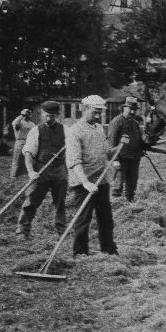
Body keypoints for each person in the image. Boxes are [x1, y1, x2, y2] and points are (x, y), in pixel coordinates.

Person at [66, 95, 126, 257]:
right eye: (95, 112)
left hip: (102, 180)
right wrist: (85, 182)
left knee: (106, 218)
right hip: (83, 183)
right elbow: (74, 161)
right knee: (83, 219)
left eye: (101, 112)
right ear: (84, 109)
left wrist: (120, 145)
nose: (99, 116)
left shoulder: (99, 128)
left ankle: (108, 249)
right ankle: (80, 253)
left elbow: (107, 153)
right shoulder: (75, 131)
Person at [15, 101, 68, 239]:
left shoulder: (66, 130)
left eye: (52, 116)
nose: (49, 118)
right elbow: (28, 153)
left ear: (57, 115)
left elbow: (72, 150)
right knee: (31, 201)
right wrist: (31, 171)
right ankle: (22, 231)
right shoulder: (35, 130)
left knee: (60, 203)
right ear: (42, 114)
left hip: (59, 172)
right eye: (47, 115)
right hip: (40, 172)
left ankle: (62, 232)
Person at [108, 96, 144, 201]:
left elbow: (140, 141)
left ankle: (129, 206)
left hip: (134, 159)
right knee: (118, 186)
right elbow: (112, 143)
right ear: (124, 108)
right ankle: (115, 207)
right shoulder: (116, 122)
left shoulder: (135, 123)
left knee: (132, 186)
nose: (132, 112)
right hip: (121, 159)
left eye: (134, 110)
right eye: (130, 109)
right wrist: (115, 160)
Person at [9, 107, 35, 179]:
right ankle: (13, 175)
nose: (29, 114)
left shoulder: (32, 124)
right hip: (20, 142)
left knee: (28, 158)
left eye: (30, 113)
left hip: (29, 142)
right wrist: (22, 115)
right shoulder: (20, 122)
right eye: (28, 113)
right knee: (17, 159)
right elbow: (14, 123)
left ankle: (25, 174)